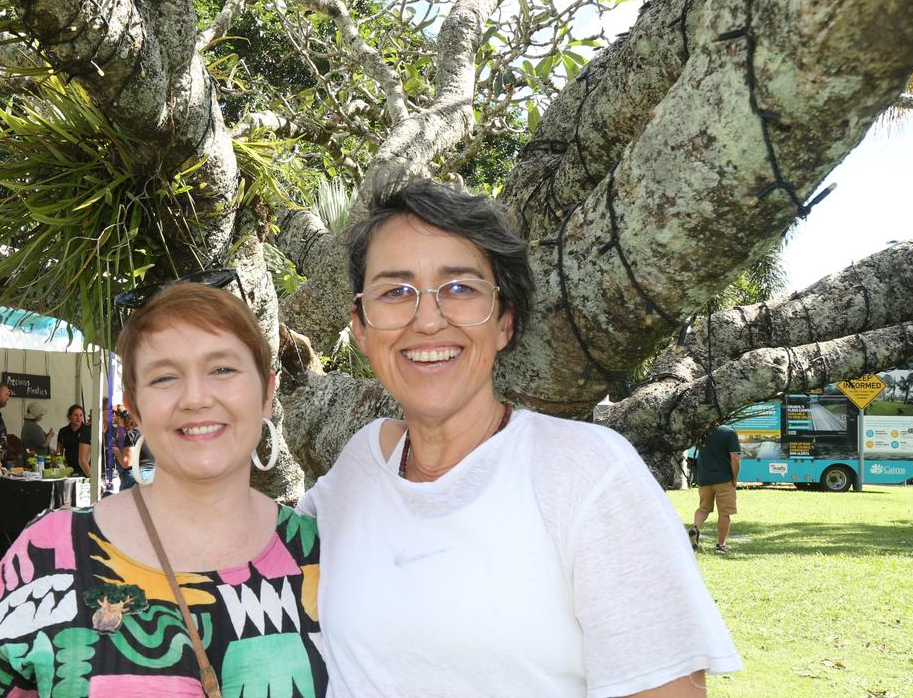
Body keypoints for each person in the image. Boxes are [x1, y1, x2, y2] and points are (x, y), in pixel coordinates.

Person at [299, 178, 741, 697]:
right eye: (395, 291)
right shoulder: (359, 468)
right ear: (360, 325)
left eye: (460, 288)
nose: (427, 319)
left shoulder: (586, 473)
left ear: (505, 321)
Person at [0, 283, 326, 697]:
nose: (196, 398)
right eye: (165, 377)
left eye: (223, 369)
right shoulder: (53, 552)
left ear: (268, 392)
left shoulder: (321, 555)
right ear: (136, 407)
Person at [692, 424, 742, 554]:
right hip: (723, 479)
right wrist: (735, 478)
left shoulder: (701, 431)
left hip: (704, 478)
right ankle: (721, 545)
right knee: (724, 513)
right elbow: (735, 458)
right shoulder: (729, 432)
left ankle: (695, 530)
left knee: (703, 509)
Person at [56, 404, 92, 477]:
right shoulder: (63, 431)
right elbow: (59, 452)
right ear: (69, 417)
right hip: (68, 469)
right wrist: (61, 464)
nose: (78, 418)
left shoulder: (87, 430)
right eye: (76, 415)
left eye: (81, 415)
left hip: (85, 469)